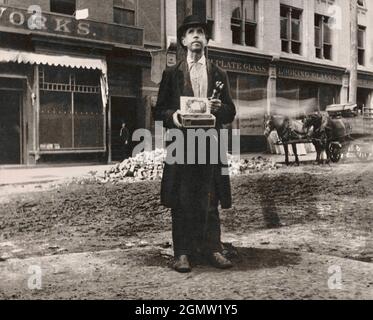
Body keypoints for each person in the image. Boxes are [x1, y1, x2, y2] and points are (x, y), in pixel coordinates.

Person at [153, 15, 236, 273]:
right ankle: (182, 253)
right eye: (191, 32)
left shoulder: (218, 73)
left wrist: (220, 109)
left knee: (210, 197)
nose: (196, 36)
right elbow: (159, 111)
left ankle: (213, 248)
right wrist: (173, 116)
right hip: (182, 143)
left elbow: (230, 112)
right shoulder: (172, 73)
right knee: (181, 198)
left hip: (209, 143)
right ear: (183, 40)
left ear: (207, 39)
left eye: (201, 31)